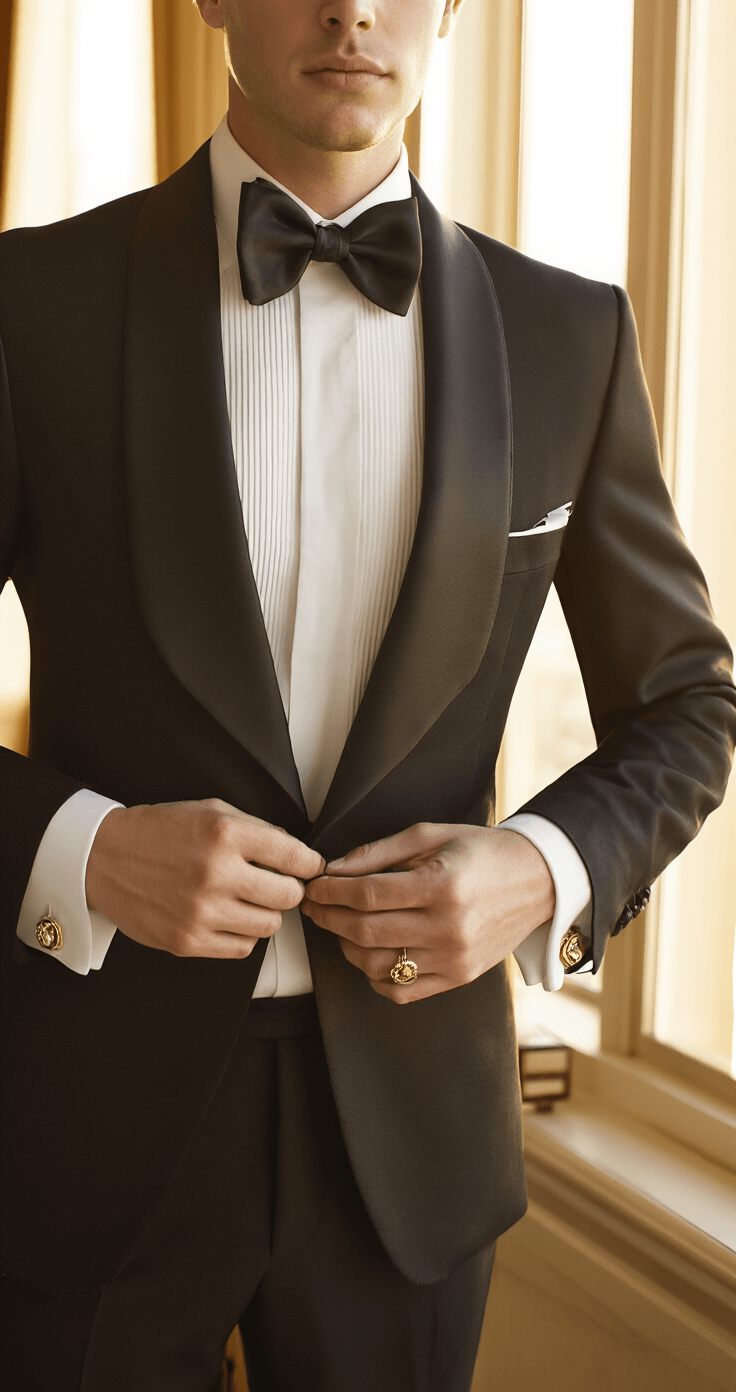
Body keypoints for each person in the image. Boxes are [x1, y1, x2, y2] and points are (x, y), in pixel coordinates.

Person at [1, 1, 734, 1388]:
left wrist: (539, 868)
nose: (352, 9)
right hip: (90, 1130)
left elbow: (689, 707)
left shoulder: (568, 332)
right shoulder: (31, 300)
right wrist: (84, 852)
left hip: (415, 1143)